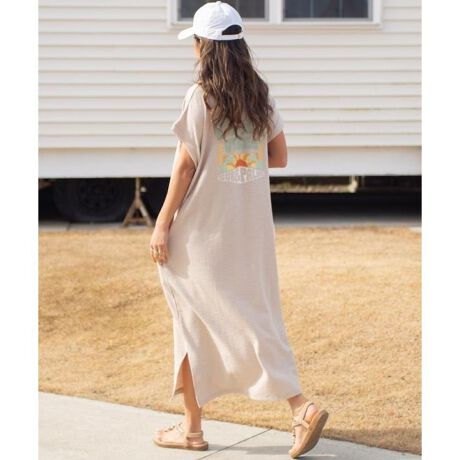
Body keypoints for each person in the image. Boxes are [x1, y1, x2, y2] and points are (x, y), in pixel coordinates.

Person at [149, 2, 329, 458]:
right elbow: (280, 157)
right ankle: (192, 428)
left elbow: (185, 167)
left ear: (204, 46)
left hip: (201, 233)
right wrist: (238, 153)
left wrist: (162, 223)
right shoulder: (259, 94)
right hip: (249, 232)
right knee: (226, 317)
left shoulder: (200, 96)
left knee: (213, 319)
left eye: (195, 41)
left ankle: (301, 407)